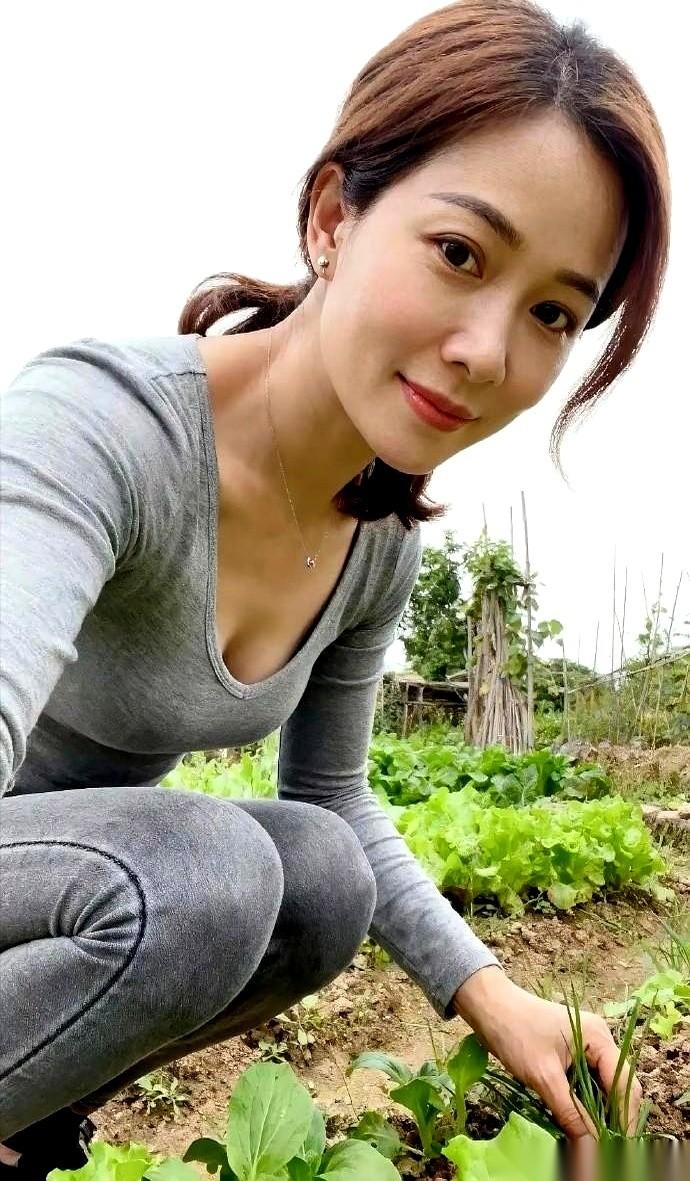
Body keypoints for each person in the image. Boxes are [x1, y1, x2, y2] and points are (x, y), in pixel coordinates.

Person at [0, 0, 670, 1174]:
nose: (486, 351)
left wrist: (489, 990)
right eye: (460, 253)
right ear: (331, 218)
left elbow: (334, 798)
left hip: (63, 899)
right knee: (206, 876)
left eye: (551, 312)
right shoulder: (103, 427)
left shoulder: (374, 542)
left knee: (320, 879)